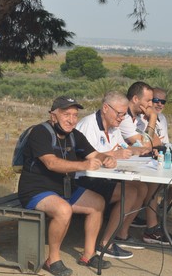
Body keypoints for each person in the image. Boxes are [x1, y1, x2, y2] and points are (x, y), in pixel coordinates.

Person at [17, 96, 115, 276]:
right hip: (35, 190)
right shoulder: (40, 132)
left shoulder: (74, 135)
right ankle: (52, 260)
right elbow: (51, 164)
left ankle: (88, 254)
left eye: (75, 115)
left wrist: (105, 158)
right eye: (66, 114)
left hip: (63, 187)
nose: (71, 120)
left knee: (98, 203)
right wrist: (83, 165)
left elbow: (94, 154)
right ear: (53, 115)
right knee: (63, 210)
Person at [76, 91, 149, 259]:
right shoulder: (88, 125)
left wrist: (137, 150)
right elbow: (85, 156)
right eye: (119, 114)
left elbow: (121, 147)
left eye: (124, 114)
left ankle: (121, 234)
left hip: (104, 176)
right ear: (105, 108)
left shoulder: (113, 127)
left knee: (142, 187)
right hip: (83, 178)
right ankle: (105, 244)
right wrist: (113, 155)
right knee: (129, 192)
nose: (121, 118)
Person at [119, 81, 172, 245]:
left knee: (155, 183)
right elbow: (147, 144)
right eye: (150, 101)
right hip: (122, 168)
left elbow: (154, 142)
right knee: (148, 184)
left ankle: (150, 225)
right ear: (135, 99)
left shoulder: (137, 117)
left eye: (160, 101)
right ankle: (149, 228)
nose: (153, 105)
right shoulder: (126, 118)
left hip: (133, 164)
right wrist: (153, 118)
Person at [149, 87, 172, 220]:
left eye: (163, 102)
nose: (160, 104)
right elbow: (151, 142)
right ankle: (150, 215)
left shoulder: (162, 118)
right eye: (156, 100)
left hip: (162, 156)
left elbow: (165, 143)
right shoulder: (142, 119)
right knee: (154, 184)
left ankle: (164, 208)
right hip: (150, 160)